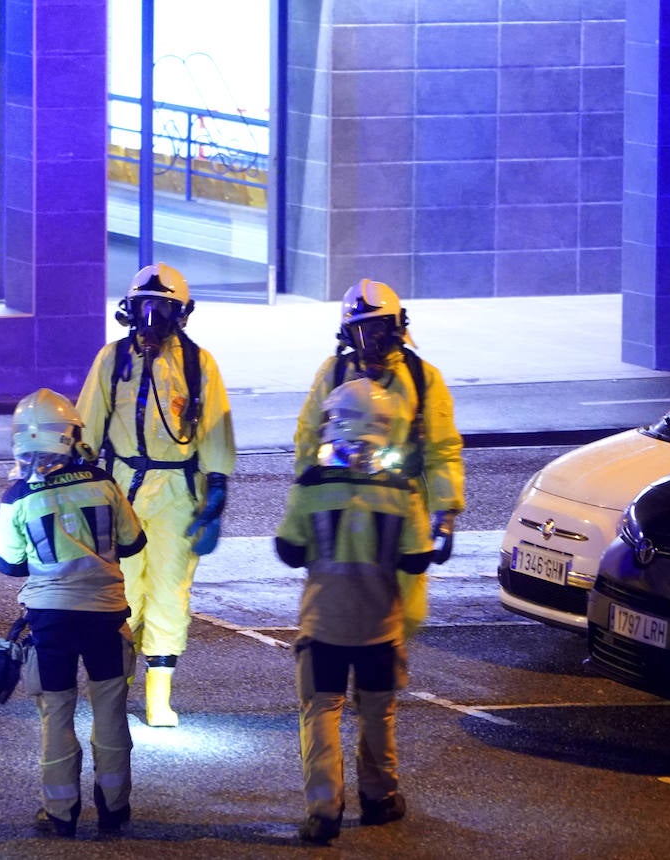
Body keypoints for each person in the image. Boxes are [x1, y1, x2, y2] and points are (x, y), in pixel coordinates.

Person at [275, 378, 436, 844]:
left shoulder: (311, 483)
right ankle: (380, 798)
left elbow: (288, 549)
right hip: (379, 626)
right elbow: (417, 558)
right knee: (377, 714)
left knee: (322, 712)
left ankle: (324, 810)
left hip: (324, 622)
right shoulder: (402, 489)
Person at [76, 263, 236, 727]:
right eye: (144, 308)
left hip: (179, 494)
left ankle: (158, 695)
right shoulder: (112, 360)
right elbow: (88, 425)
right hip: (124, 489)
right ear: (129, 310)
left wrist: (217, 490)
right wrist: (83, 483)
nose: (152, 321)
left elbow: (215, 428)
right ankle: (115, 686)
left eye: (161, 310)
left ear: (180, 314)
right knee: (120, 589)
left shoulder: (198, 364)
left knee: (170, 588)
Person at [0, 389, 146, 838]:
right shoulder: (103, 482)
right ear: (71, 435)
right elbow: (134, 542)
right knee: (111, 712)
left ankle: (60, 814)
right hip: (104, 614)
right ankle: (115, 809)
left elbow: (9, 563)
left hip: (51, 620)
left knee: (56, 713)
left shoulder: (19, 495)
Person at [293, 278, 464, 567]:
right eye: (360, 332)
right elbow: (308, 436)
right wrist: (307, 497)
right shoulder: (334, 374)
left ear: (396, 327)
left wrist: (445, 514)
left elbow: (442, 449)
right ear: (347, 335)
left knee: (401, 606)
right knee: (340, 597)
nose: (369, 343)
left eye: (376, 330)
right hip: (342, 510)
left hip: (403, 512)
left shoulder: (422, 379)